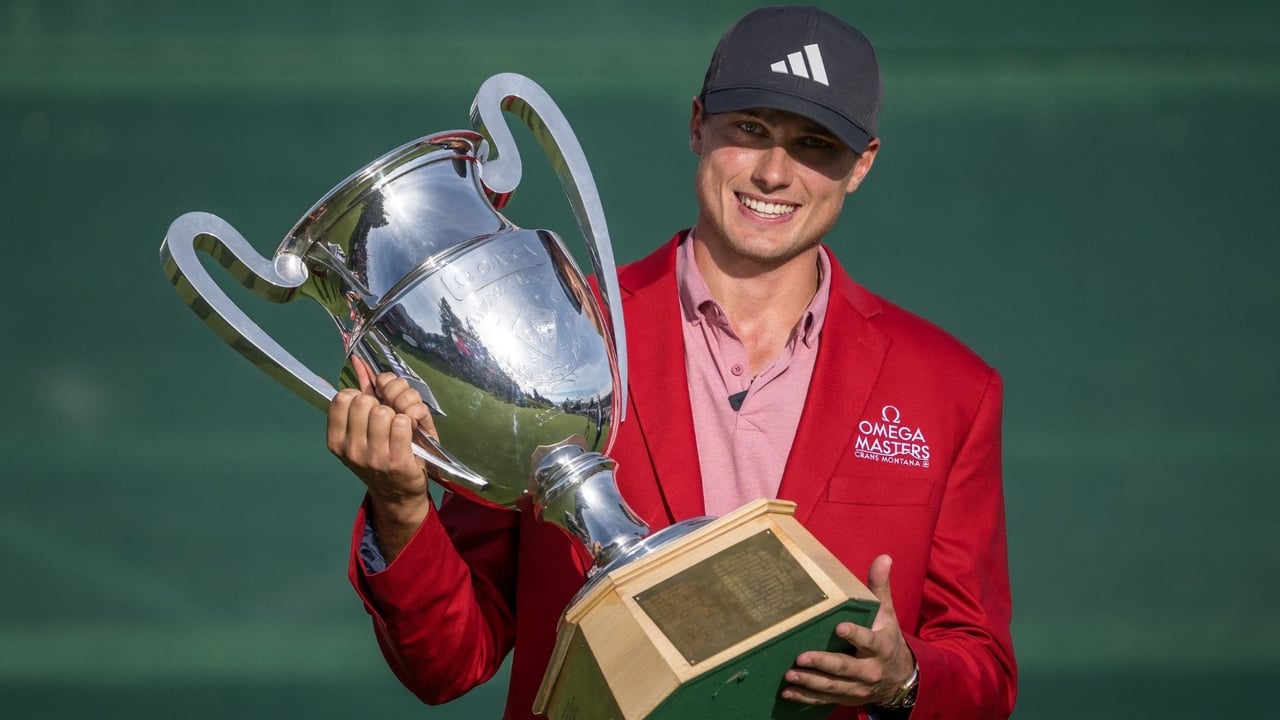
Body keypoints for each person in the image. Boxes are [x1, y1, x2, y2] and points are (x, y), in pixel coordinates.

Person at [327, 5, 1016, 719]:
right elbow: (448, 661)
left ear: (861, 164)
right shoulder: (544, 338)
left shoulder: (950, 389)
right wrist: (402, 508)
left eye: (815, 145)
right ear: (697, 125)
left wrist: (904, 677)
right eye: (750, 129)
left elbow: (982, 667)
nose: (775, 172)